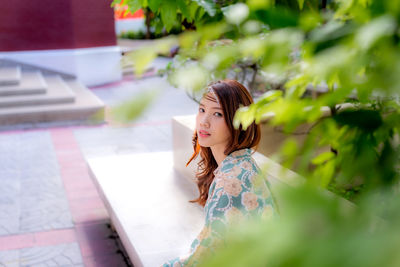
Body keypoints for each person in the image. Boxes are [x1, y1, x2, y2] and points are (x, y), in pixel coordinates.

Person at [162, 79, 277, 267]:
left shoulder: (231, 183)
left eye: (217, 114)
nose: (204, 122)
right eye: (202, 110)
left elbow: (204, 257)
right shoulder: (243, 163)